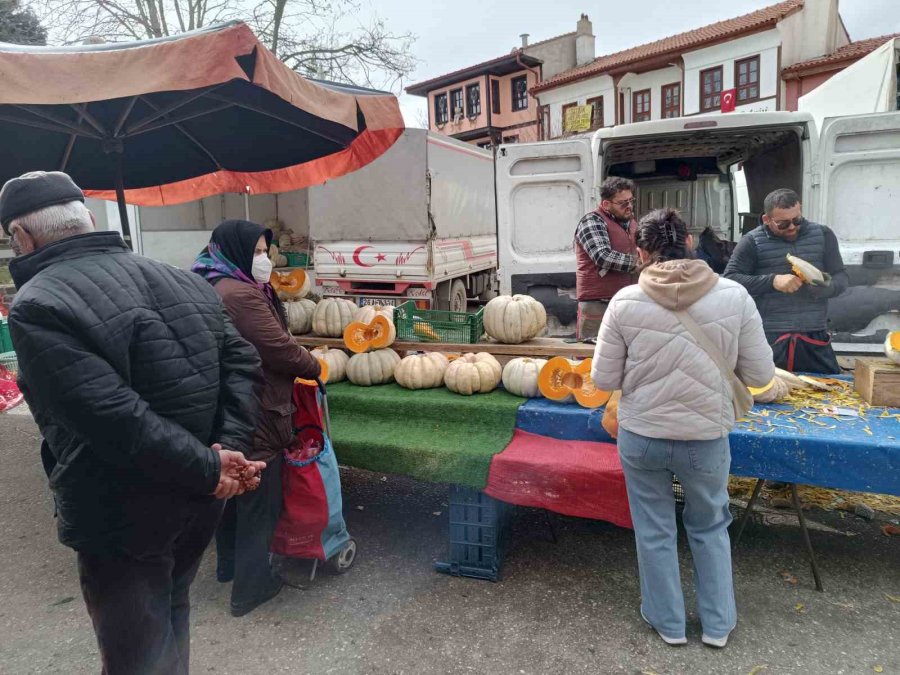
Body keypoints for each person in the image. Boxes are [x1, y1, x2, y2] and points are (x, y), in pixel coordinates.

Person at [1, 171, 265, 674]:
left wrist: (213, 466)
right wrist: (220, 455)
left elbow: (113, 420)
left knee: (134, 651)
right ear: (89, 220)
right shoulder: (187, 281)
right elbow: (243, 366)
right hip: (199, 499)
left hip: (121, 513)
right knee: (171, 610)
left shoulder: (38, 305)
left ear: (22, 237)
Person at [592, 208, 774, 648]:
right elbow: (760, 373)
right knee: (710, 526)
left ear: (641, 252)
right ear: (690, 243)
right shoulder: (734, 296)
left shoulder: (625, 301)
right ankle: (717, 625)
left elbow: (602, 380)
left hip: (642, 436)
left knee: (654, 528)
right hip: (706, 437)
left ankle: (667, 622)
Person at [193, 220, 322, 617]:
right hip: (257, 406)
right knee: (257, 497)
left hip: (225, 403)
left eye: (267, 253)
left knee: (230, 493)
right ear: (235, 252)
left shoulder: (208, 280)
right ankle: (251, 587)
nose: (266, 261)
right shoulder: (240, 295)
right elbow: (277, 348)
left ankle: (229, 568)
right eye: (259, 254)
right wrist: (313, 364)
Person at [723, 188, 848, 374]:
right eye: (783, 223)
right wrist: (772, 281)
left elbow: (841, 277)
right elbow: (730, 280)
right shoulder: (752, 241)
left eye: (796, 220)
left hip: (814, 335)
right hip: (770, 338)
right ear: (767, 219)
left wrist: (825, 288)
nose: (791, 227)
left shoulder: (823, 234)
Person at [574, 176, 640, 340]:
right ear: (606, 204)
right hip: (598, 305)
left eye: (631, 201)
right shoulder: (592, 221)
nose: (629, 206)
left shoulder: (631, 223)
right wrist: (641, 263)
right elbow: (603, 256)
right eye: (623, 203)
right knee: (590, 359)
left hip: (627, 301)